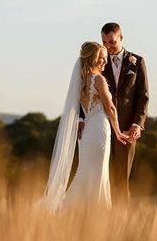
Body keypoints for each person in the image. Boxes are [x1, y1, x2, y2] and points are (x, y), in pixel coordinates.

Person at [39, 42, 132, 211]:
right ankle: (90, 211)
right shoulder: (99, 80)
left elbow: (77, 109)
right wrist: (118, 131)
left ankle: (74, 209)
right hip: (99, 131)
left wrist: (81, 121)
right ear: (93, 60)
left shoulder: (80, 82)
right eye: (102, 59)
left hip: (87, 131)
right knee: (97, 172)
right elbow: (110, 107)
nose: (104, 62)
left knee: (86, 171)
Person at [79, 22, 150, 201]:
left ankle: (120, 220)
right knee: (100, 174)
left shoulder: (137, 61)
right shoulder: (97, 63)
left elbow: (143, 96)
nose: (108, 46)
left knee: (121, 177)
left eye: (112, 42)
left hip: (126, 128)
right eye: (104, 42)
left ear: (121, 37)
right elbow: (82, 90)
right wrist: (81, 118)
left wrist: (137, 124)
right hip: (99, 127)